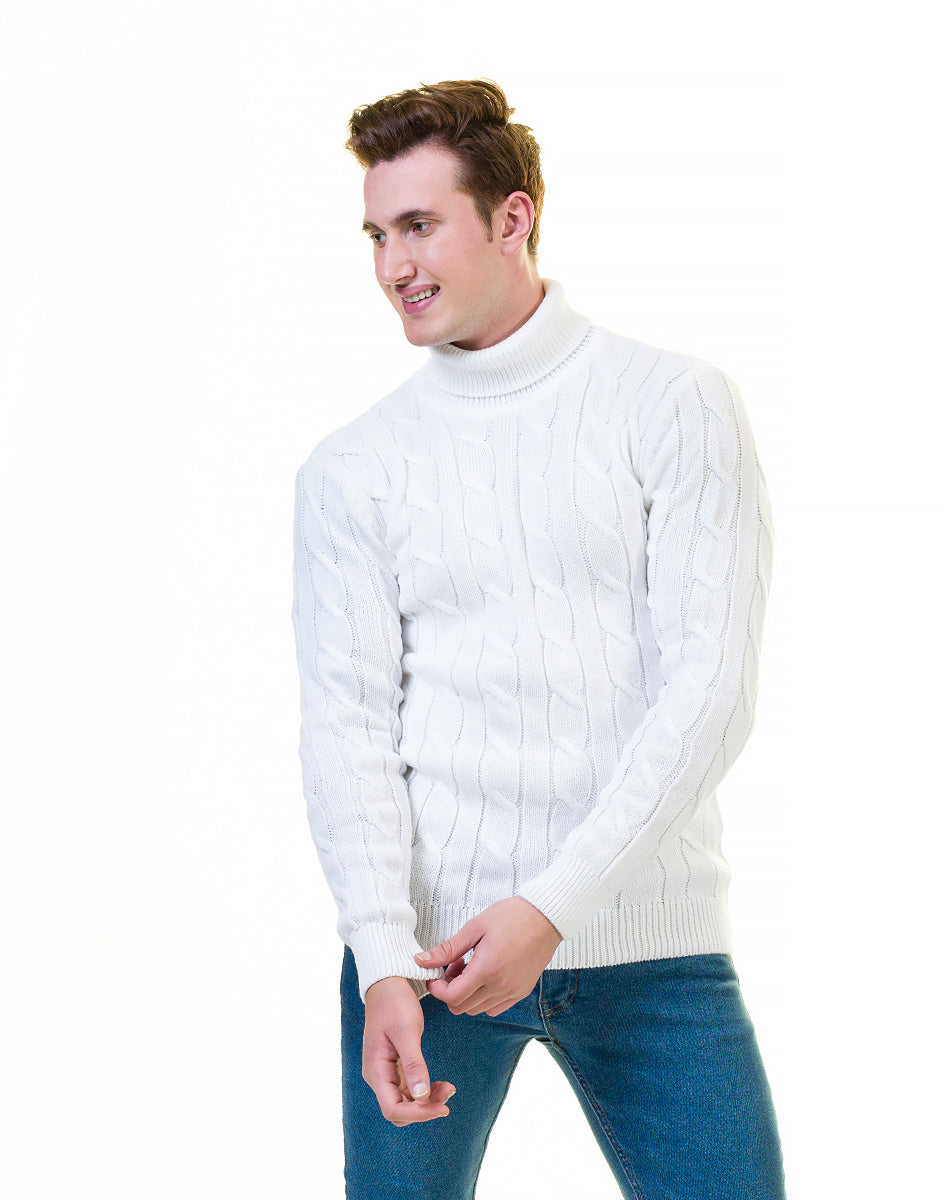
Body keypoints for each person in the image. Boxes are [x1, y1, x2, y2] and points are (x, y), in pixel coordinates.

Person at [291, 78, 787, 1200]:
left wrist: (550, 907)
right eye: (377, 234)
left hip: (653, 949)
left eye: (420, 225)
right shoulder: (352, 469)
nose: (393, 264)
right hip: (428, 967)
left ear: (513, 217)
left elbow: (711, 691)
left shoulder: (675, 404)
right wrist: (379, 959)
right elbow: (347, 731)